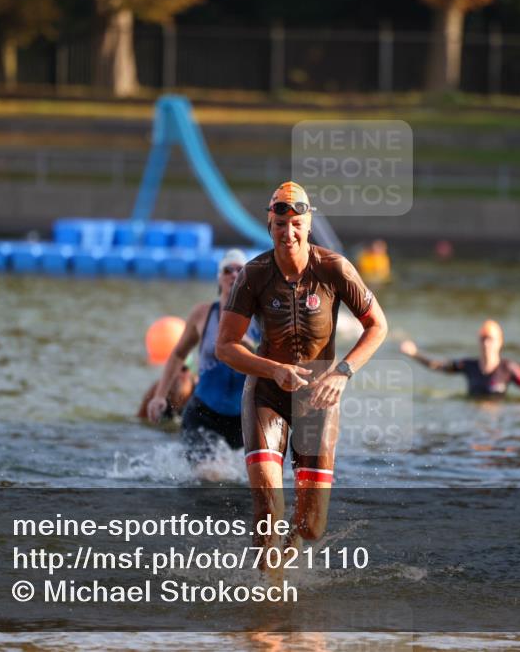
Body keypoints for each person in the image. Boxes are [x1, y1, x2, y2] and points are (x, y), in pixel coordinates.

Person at [216, 181, 388, 557]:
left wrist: (343, 372)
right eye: (280, 225)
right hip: (267, 395)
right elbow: (225, 346)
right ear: (270, 227)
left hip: (318, 401)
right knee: (268, 509)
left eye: (297, 225)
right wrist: (273, 369)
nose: (289, 233)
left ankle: (286, 558)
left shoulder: (334, 268)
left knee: (311, 526)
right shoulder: (253, 275)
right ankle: (270, 587)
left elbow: (377, 326)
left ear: (309, 226)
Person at [145, 249, 261, 463]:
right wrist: (160, 395)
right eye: (227, 270)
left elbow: (276, 362)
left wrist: (251, 348)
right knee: (208, 475)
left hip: (245, 418)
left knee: (240, 478)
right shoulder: (202, 314)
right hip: (203, 414)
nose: (233, 274)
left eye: (239, 270)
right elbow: (178, 354)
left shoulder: (261, 318)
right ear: (219, 278)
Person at [400, 319, 520, 399]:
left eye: (490, 339)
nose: (486, 344)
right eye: (482, 339)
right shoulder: (469, 366)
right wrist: (414, 354)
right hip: (474, 416)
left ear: (500, 341)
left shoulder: (508, 368)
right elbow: (438, 366)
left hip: (497, 419)